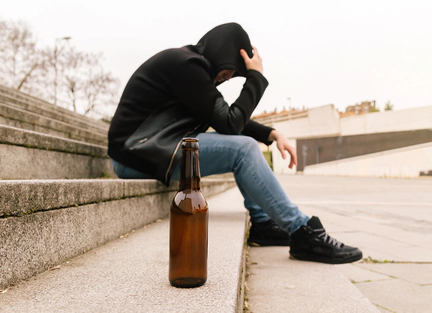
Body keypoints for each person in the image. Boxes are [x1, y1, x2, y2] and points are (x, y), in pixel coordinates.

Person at [108, 23, 362, 264]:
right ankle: (303, 232)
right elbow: (229, 123)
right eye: (231, 71)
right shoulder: (186, 65)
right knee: (243, 148)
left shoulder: (189, 66)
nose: (228, 78)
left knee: (242, 143)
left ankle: (263, 225)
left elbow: (221, 116)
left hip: (148, 150)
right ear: (224, 53)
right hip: (135, 154)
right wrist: (255, 78)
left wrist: (272, 134)